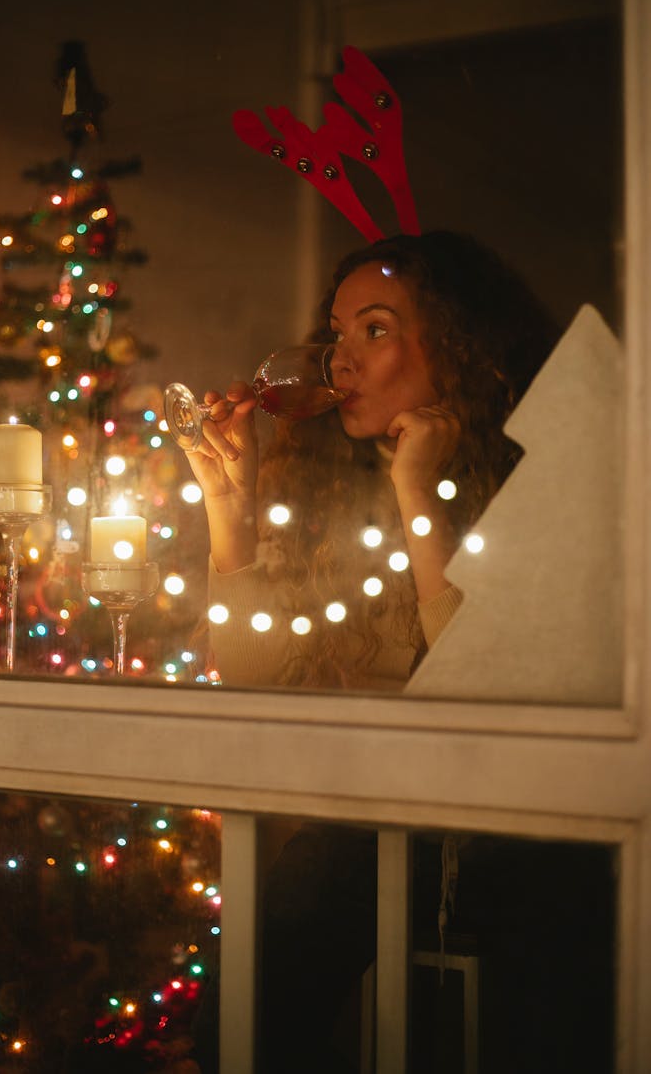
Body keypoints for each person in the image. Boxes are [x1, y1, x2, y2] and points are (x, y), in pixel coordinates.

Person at [186, 230, 560, 1073]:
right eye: (337, 330)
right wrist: (231, 511)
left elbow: (481, 682)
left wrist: (419, 494)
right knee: (282, 904)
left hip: (503, 821)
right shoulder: (327, 484)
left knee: (309, 883)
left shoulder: (534, 483)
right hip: (373, 809)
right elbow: (260, 682)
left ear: (461, 345)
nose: (338, 361)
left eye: (376, 330)